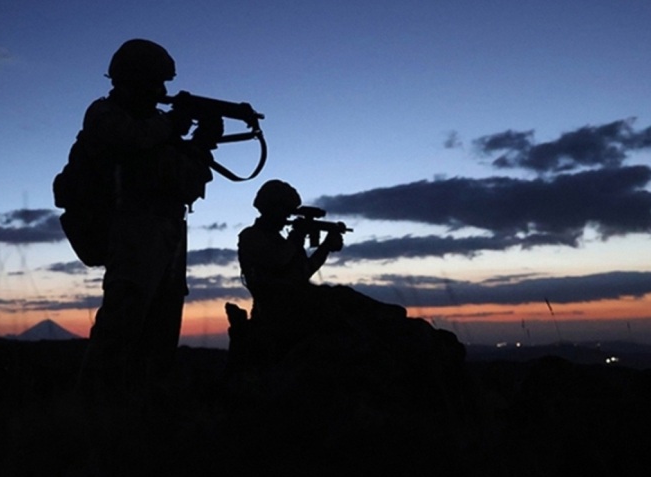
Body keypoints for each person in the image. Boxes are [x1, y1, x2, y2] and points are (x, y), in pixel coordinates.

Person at [73, 39, 223, 403]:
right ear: (132, 81)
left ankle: (144, 405)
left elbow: (183, 181)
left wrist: (202, 143)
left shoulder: (157, 127)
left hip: (167, 232)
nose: (161, 92)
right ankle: (94, 408)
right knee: (123, 322)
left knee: (162, 326)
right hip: (131, 229)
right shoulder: (105, 114)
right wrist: (173, 124)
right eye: (156, 83)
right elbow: (132, 140)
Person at [235, 179, 407, 361]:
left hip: (298, 302)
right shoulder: (251, 236)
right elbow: (278, 260)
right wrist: (297, 236)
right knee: (339, 305)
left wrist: (326, 247)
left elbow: (302, 273)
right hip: (276, 310)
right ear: (270, 208)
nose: (287, 216)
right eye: (284, 210)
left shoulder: (282, 240)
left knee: (343, 296)